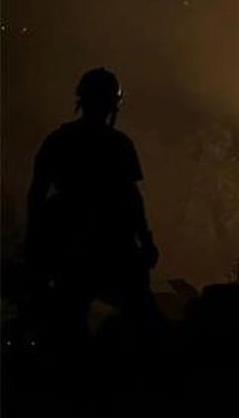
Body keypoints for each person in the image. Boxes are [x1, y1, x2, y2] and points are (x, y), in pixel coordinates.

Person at [26, 68, 161, 352]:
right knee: (144, 322)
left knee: (67, 325)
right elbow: (131, 199)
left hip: (70, 246)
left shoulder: (59, 141)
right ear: (113, 104)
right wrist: (146, 241)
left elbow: (37, 195)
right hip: (112, 246)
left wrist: (35, 242)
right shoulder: (119, 145)